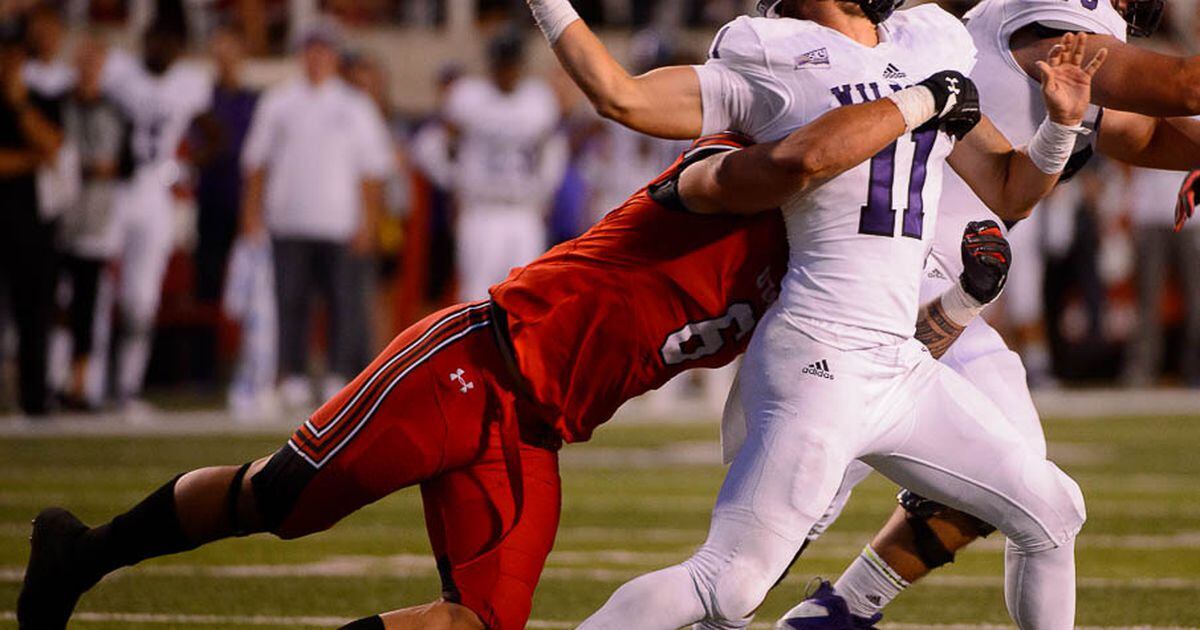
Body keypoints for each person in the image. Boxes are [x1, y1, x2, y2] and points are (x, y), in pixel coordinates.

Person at [18, 85, 997, 630]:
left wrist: (958, 300)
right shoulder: (728, 178)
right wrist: (915, 103)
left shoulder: (822, 279)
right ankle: (85, 550)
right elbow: (786, 161)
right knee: (281, 503)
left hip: (536, 432)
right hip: (471, 364)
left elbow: (878, 365)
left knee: (483, 627)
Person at [525, 0, 1110, 626]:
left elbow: (1009, 187)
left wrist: (1060, 127)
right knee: (727, 585)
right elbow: (622, 98)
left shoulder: (929, 43)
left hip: (900, 364)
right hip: (819, 357)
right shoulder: (773, 54)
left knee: (1053, 512)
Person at [774, 0, 1200, 620]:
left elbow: (1151, 133)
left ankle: (840, 611)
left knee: (1033, 493)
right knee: (790, 511)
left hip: (950, 294)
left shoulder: (1075, 46)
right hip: (883, 288)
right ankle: (720, 604)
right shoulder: (1045, 21)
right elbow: (1182, 85)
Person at [240, 22, 393, 409]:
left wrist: (368, 221)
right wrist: (252, 214)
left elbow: (372, 172)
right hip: (289, 220)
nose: (317, 58)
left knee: (343, 303)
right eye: (311, 49)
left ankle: (339, 375)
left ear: (335, 56)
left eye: (324, 50)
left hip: (340, 223)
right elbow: (257, 163)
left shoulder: (354, 105)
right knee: (290, 301)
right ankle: (290, 374)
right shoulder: (279, 101)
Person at [80, 13, 214, 413]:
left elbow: (213, 133)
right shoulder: (119, 73)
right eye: (156, 39)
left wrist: (186, 168)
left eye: (169, 42)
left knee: (141, 298)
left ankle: (126, 388)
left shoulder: (191, 82)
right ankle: (84, 384)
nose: (161, 49)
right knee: (95, 289)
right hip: (113, 190)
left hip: (155, 194)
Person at [441, 30, 568, 302]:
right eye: (502, 62)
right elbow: (446, 145)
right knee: (474, 296)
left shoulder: (539, 99)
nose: (507, 69)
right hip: (481, 208)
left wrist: (546, 194)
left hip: (523, 210)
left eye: (512, 62)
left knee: (526, 294)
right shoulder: (468, 96)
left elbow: (552, 150)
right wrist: (456, 186)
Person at [55, 39, 128, 410]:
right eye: (83, 61)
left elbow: (128, 163)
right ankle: (53, 378)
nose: (88, 70)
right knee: (52, 305)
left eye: (95, 62)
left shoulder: (115, 110)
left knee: (86, 306)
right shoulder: (57, 105)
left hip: (96, 220)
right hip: (55, 217)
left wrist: (105, 168)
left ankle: (81, 384)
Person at [0, 17, 62, 417]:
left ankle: (35, 403)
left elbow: (53, 147)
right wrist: (30, 159)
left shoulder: (38, 97)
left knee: (35, 315)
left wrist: (18, 102)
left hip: (32, 225)